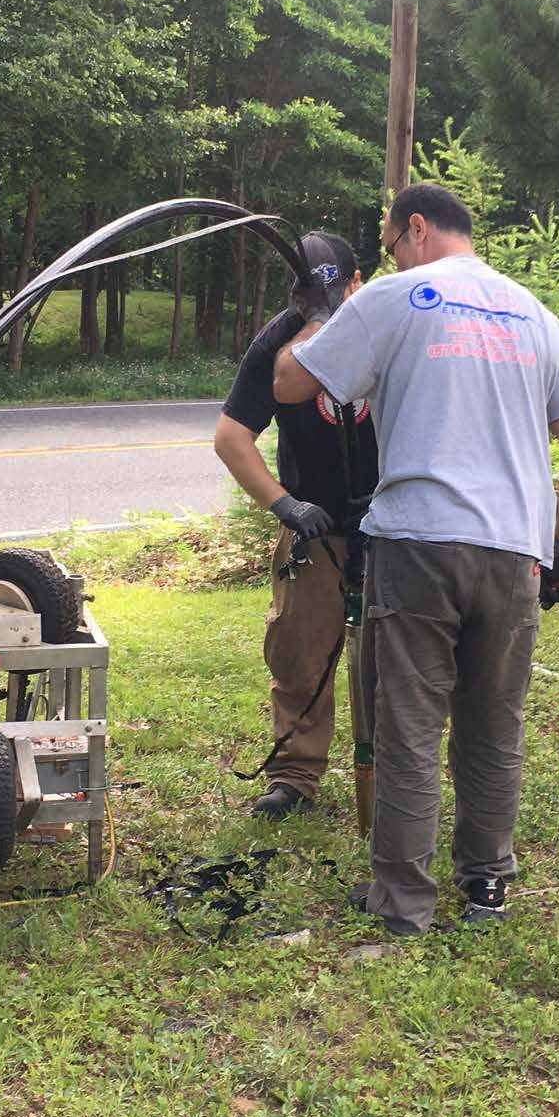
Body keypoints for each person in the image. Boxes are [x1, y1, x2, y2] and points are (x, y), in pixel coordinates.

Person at [272, 183, 559, 934]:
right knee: (493, 726)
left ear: (414, 229)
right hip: (514, 551)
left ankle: (404, 903)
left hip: (418, 543)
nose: (389, 255)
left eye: (389, 243)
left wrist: (317, 311)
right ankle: (486, 887)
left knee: (409, 726)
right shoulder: (536, 315)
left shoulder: (395, 297)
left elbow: (291, 381)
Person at [214, 230, 381, 819]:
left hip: (389, 528)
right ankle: (295, 776)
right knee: (299, 657)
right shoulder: (279, 343)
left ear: (358, 281)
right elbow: (232, 439)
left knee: (394, 657)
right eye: (310, 299)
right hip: (312, 530)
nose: (322, 308)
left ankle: (390, 774)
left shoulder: (389, 326)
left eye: (332, 293)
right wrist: (285, 505)